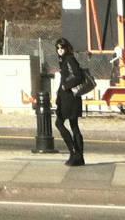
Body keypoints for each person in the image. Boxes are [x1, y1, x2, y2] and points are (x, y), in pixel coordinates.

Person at [53, 38, 88, 166]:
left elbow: (78, 76)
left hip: (70, 98)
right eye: (58, 48)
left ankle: (74, 153)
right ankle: (78, 155)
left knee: (60, 123)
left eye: (62, 47)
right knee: (74, 126)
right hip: (67, 97)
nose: (60, 50)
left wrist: (65, 86)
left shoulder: (69, 59)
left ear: (66, 48)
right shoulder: (64, 60)